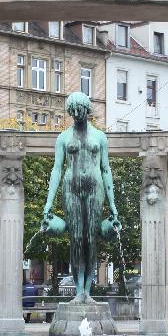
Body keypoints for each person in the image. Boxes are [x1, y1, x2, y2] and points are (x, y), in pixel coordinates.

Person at [41, 92, 121, 301]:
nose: (77, 115)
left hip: (96, 189)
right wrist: (48, 203)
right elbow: (56, 169)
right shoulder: (63, 138)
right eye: (73, 112)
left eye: (80, 111)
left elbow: (106, 170)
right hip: (71, 188)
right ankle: (78, 291)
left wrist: (113, 205)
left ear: (87, 110)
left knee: (90, 239)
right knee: (76, 238)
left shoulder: (100, 137)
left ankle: (87, 290)